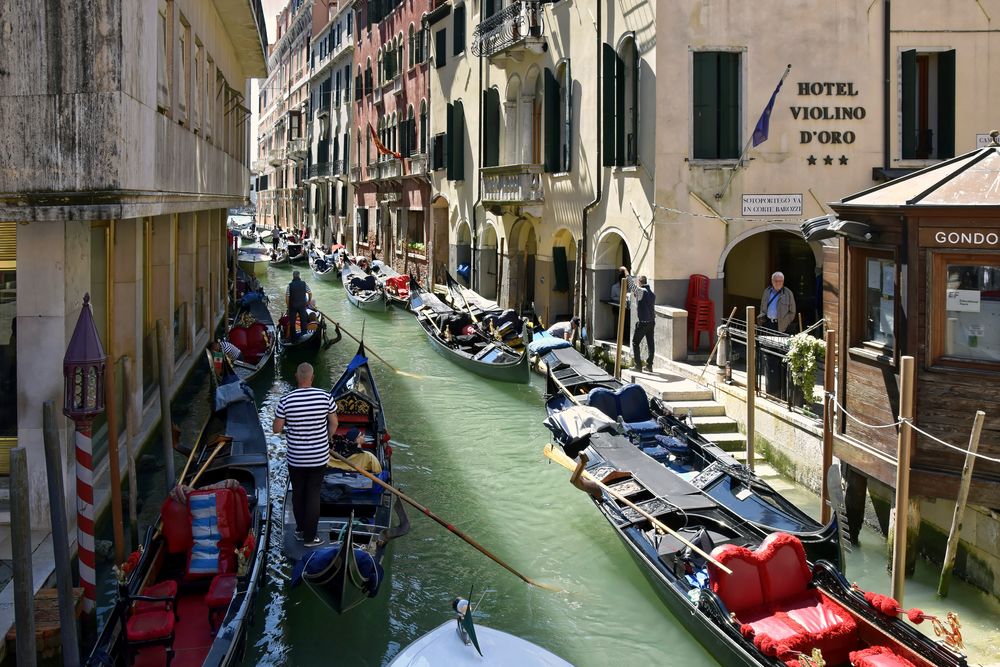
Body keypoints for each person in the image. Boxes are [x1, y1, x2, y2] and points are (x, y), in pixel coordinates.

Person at [273, 363, 338, 547]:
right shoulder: (325, 397)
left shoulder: (286, 400)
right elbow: (334, 423)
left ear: (296, 376)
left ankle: (301, 531)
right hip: (318, 456)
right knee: (313, 494)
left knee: (298, 493)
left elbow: (277, 429)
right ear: (312, 377)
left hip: (296, 458)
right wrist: (326, 437)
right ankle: (311, 537)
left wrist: (290, 426)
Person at [621, 266, 656, 372]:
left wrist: (626, 271)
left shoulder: (641, 291)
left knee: (635, 343)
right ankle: (649, 365)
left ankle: (638, 366)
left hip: (644, 323)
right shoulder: (651, 293)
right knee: (651, 343)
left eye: (637, 282)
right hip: (651, 322)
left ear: (639, 282)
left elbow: (631, 285)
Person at [285, 271, 312, 339]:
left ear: (293, 276)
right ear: (299, 276)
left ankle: (293, 338)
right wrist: (308, 301)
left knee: (292, 322)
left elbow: (287, 297)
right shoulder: (304, 284)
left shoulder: (290, 285)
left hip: (293, 306)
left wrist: (288, 306)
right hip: (302, 305)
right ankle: (304, 335)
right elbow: (310, 293)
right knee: (303, 320)